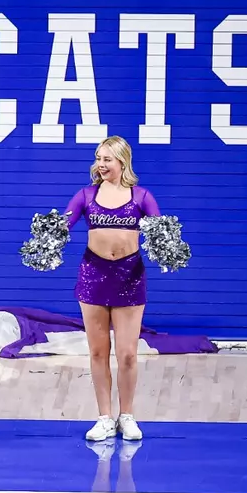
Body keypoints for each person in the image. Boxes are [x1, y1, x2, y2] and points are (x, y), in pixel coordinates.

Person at [60, 136, 161, 443]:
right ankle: (104, 417)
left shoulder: (141, 196)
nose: (101, 165)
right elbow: (62, 226)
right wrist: (47, 234)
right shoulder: (85, 195)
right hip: (93, 274)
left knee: (128, 353)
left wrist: (168, 248)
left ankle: (126, 415)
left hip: (129, 276)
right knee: (98, 351)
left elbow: (161, 234)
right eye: (98, 158)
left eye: (107, 159)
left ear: (122, 162)